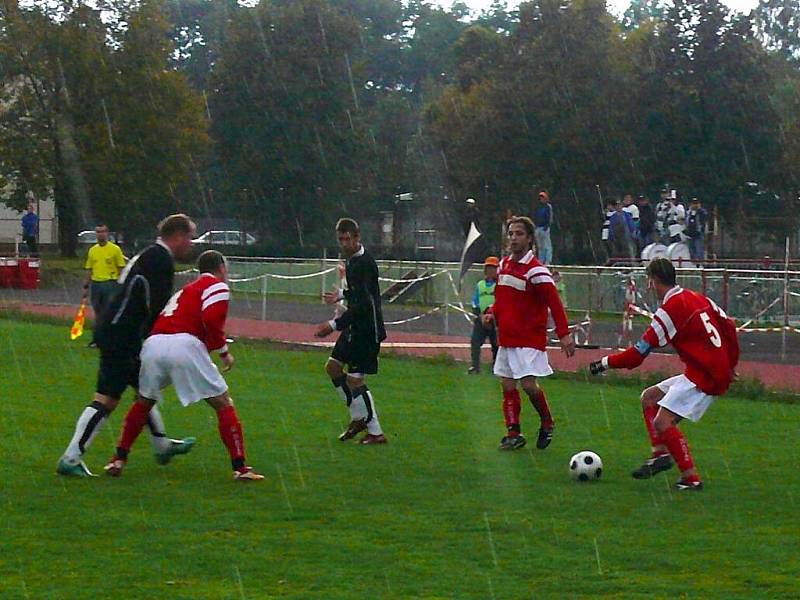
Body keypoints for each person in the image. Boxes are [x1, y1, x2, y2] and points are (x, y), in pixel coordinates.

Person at [56, 214, 197, 477]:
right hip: (122, 336)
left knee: (146, 390)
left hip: (117, 331)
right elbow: (156, 309)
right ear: (176, 236)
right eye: (189, 237)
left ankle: (162, 445)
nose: (191, 243)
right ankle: (71, 458)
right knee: (107, 399)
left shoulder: (150, 255)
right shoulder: (160, 260)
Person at [103, 251, 264, 481]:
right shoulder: (216, 285)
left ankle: (118, 458)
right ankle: (240, 468)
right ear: (221, 268)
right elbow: (211, 318)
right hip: (184, 343)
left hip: (154, 343)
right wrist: (223, 351)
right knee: (223, 402)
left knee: (143, 402)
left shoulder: (185, 289)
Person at [589, 258, 739, 490]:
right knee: (649, 398)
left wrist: (604, 363)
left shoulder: (669, 312)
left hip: (705, 376)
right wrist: (731, 363)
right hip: (708, 370)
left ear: (654, 281)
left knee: (662, 421)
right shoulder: (696, 297)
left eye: (649, 281)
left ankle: (691, 479)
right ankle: (660, 455)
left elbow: (636, 356)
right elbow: (729, 325)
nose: (648, 287)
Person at [482, 216, 575, 450]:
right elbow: (502, 299)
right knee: (507, 384)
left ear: (530, 238)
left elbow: (555, 303)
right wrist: (492, 312)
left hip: (529, 339)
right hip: (508, 337)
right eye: (511, 234)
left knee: (528, 385)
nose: (513, 238)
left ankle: (547, 421)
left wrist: (564, 333)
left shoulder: (536, 271)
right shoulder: (504, 266)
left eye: (519, 234)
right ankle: (514, 433)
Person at [316, 218, 388, 445]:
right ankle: (358, 417)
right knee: (333, 367)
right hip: (354, 328)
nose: (345, 243)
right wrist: (341, 296)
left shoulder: (365, 263)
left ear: (358, 238)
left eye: (349, 239)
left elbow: (364, 305)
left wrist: (333, 325)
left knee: (356, 380)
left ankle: (375, 431)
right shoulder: (352, 261)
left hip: (367, 330)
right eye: (341, 239)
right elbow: (357, 294)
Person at [83, 224, 126, 346]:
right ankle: (97, 339)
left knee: (108, 312)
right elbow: (89, 269)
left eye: (102, 232)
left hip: (110, 283)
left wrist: (120, 285)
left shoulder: (115, 250)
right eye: (98, 232)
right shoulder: (93, 250)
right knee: (98, 312)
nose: (100, 234)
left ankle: (110, 338)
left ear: (107, 233)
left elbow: (121, 268)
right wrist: (86, 286)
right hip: (96, 284)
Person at [468, 256, 499, 375]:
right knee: (475, 342)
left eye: (493, 268)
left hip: (495, 319)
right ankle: (475, 366)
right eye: (488, 268)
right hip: (481, 318)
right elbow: (475, 301)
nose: (490, 270)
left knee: (496, 344)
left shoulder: (500, 285)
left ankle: (496, 368)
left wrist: (492, 315)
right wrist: (480, 316)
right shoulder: (480, 285)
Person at [533, 191, 553, 264]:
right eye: (540, 198)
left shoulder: (548, 207)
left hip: (545, 228)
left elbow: (549, 218)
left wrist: (546, 227)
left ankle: (548, 261)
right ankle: (541, 261)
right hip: (538, 228)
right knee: (540, 246)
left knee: (547, 246)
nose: (541, 199)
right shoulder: (539, 207)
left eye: (543, 197)